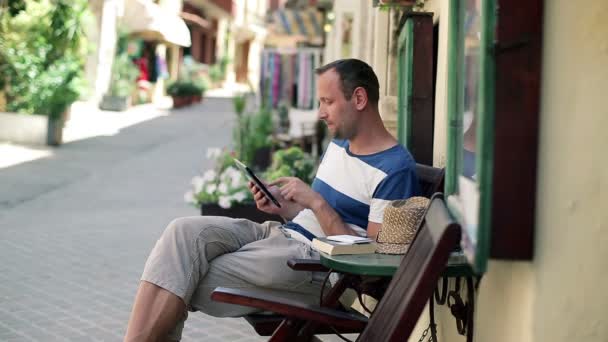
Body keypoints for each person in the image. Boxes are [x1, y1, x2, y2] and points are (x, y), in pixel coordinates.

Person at [124, 59, 420, 342]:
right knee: (182, 233)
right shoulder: (340, 144)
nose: (320, 112)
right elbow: (315, 219)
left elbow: (369, 264)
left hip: (320, 269)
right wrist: (285, 207)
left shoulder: (394, 169)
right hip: (282, 237)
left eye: (327, 102)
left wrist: (317, 203)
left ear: (358, 98)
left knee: (179, 274)